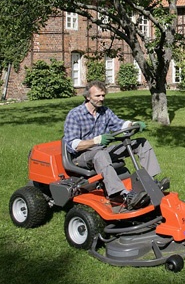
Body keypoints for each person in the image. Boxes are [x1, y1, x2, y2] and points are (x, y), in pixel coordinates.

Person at [63, 80, 163, 210]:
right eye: (97, 96)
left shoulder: (105, 111)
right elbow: (73, 145)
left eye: (103, 95)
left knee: (140, 143)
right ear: (88, 97)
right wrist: (97, 140)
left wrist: (133, 124)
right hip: (82, 156)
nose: (101, 99)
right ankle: (122, 195)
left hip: (103, 150)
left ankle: (149, 183)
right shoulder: (75, 114)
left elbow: (119, 124)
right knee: (100, 154)